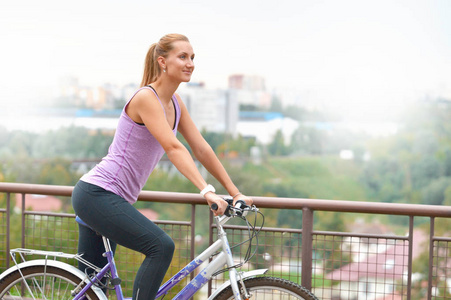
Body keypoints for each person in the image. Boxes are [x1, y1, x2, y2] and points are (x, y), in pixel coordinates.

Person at [71, 33, 253, 300]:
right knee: (161, 247)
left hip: (111, 200)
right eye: (182, 57)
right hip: (97, 194)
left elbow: (201, 148)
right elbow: (174, 147)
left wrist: (235, 192)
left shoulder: (176, 104)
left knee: (94, 290)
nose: (190, 63)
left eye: (192, 57)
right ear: (162, 62)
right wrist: (206, 191)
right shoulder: (146, 98)